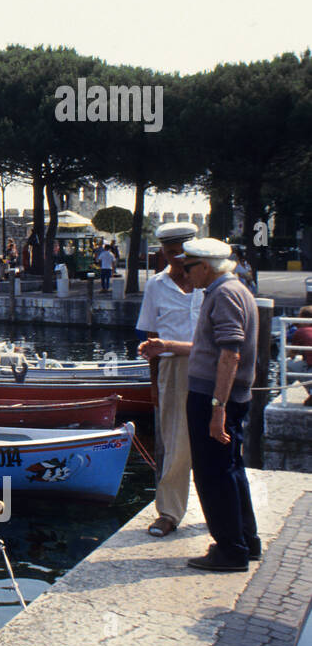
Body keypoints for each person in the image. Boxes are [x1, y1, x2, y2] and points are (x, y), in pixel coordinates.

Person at [140, 238, 260, 571]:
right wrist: (167, 345)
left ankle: (229, 550)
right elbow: (210, 348)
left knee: (212, 475)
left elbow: (229, 354)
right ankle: (246, 541)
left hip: (212, 398)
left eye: (189, 266)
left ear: (205, 267)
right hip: (219, 396)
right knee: (231, 471)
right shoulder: (233, 290)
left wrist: (217, 408)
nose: (184, 271)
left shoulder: (223, 294)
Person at [134, 222, 203, 539]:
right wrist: (153, 387)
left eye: (183, 254)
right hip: (171, 368)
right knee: (173, 444)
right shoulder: (156, 287)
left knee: (216, 438)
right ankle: (169, 512)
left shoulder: (209, 284)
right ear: (162, 252)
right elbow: (151, 338)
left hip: (210, 365)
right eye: (171, 254)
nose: (178, 260)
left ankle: (220, 509)